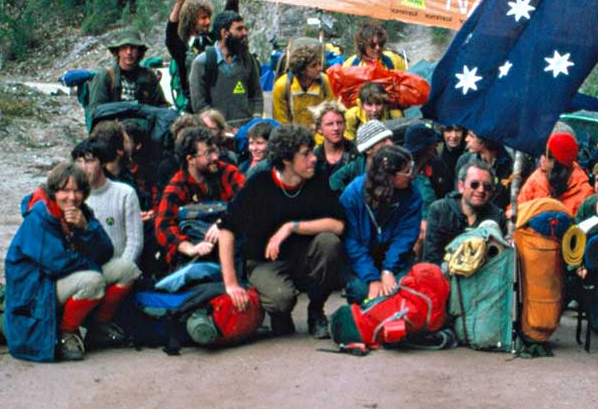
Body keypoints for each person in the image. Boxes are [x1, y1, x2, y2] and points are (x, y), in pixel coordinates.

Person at [216, 124, 347, 338]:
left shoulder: (316, 179)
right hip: (264, 261)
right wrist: (231, 284)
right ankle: (279, 313)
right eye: (305, 154)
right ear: (286, 160)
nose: (313, 158)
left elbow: (338, 224)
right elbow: (226, 229)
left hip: (305, 256)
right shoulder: (259, 184)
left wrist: (291, 227)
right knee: (280, 299)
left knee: (329, 243)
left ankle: (316, 311)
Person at [4, 162, 121, 362]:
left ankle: (99, 327)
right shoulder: (40, 217)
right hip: (37, 289)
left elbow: (107, 252)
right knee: (93, 281)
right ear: (53, 192)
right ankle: (67, 333)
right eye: (65, 191)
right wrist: (93, 265)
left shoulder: (80, 211)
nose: (71, 197)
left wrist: (86, 227)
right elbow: (59, 263)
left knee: (126, 270)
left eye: (77, 191)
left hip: (60, 277)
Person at [153, 125, 246, 278]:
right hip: (196, 257)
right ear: (190, 159)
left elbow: (249, 201)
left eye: (215, 150)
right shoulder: (177, 186)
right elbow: (163, 226)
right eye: (208, 154)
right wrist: (189, 248)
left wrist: (225, 222)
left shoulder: (228, 172)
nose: (215, 157)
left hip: (234, 251)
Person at [340, 145, 423, 303]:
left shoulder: (412, 195)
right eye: (406, 171)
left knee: (401, 289)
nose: (411, 175)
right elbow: (351, 241)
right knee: (361, 292)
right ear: (389, 176)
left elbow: (405, 237)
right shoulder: (353, 194)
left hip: (396, 259)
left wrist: (388, 270)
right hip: (361, 260)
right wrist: (371, 278)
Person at [71, 139, 144, 274]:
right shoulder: (72, 197)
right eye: (79, 162)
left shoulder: (125, 193)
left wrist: (122, 270)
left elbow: (135, 242)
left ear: (103, 163)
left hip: (121, 270)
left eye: (89, 161)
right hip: (88, 271)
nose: (83, 168)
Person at [422, 158, 508, 265]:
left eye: (487, 186)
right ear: (461, 186)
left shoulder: (497, 216)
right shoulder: (440, 210)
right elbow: (432, 256)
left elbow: (502, 261)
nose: (481, 190)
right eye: (474, 184)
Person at [189, 10, 263, 120]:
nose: (245, 33)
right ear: (224, 33)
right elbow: (199, 105)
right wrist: (220, 126)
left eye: (244, 28)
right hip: (217, 132)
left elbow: (257, 95)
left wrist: (255, 121)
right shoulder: (202, 63)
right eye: (239, 29)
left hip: (246, 131)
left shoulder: (247, 59)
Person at [86, 28, 169, 115]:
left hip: (144, 125)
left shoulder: (149, 76)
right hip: (113, 125)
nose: (128, 52)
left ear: (139, 51)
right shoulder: (104, 76)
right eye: (124, 48)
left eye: (133, 48)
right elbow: (96, 111)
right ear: (118, 52)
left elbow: (162, 106)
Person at [516, 132, 593, 216]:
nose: (542, 159)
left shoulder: (585, 195)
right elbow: (516, 210)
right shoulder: (537, 177)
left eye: (547, 156)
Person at [166, 0, 215, 112]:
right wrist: (178, 3)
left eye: (209, 17)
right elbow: (171, 28)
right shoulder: (181, 46)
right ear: (191, 20)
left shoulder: (212, 41)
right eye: (203, 18)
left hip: (215, 100)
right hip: (192, 106)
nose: (208, 21)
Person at [272, 41, 334, 127]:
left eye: (319, 64)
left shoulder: (325, 81)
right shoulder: (282, 85)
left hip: (319, 134)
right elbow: (281, 122)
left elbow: (331, 114)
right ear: (301, 70)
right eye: (314, 66)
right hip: (293, 136)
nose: (320, 68)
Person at [331, 119, 394, 193]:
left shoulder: (395, 161)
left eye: (389, 139)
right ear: (368, 150)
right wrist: (349, 194)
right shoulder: (356, 165)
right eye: (383, 141)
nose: (391, 143)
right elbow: (334, 179)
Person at [455, 132, 514, 210]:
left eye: (471, 136)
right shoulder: (465, 161)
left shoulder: (512, 164)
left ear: (485, 140)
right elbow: (458, 195)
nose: (466, 139)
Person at [312, 100, 358, 182]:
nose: (336, 128)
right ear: (319, 129)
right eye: (330, 124)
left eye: (339, 123)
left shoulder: (358, 153)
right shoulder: (314, 159)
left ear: (345, 124)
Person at [342, 23, 406, 69]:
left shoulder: (393, 59)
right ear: (363, 45)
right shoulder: (350, 65)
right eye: (373, 45)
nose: (378, 47)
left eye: (381, 43)